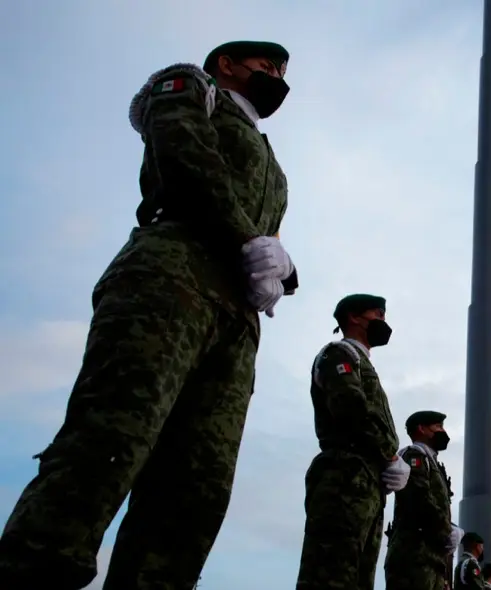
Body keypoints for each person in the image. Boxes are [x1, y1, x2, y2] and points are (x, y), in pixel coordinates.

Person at [0, 40, 298, 590]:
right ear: (227, 64)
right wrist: (246, 239)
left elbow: (265, 230)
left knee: (197, 485)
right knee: (113, 438)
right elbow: (185, 156)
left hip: (236, 319)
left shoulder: (272, 164)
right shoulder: (190, 86)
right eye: (266, 63)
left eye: (282, 70)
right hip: (171, 274)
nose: (276, 74)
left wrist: (280, 263)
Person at [297, 294, 411, 590]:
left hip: (366, 482)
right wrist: (390, 456)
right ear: (354, 317)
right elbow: (350, 407)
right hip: (344, 476)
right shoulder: (339, 353)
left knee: (359, 579)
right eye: (377, 314)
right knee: (331, 573)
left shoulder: (362, 362)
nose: (383, 322)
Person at [384, 410, 464, 590]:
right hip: (413, 557)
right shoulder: (414, 456)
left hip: (430, 558)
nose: (443, 432)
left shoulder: (431, 462)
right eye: (438, 427)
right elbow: (419, 499)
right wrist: (447, 531)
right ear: (421, 429)